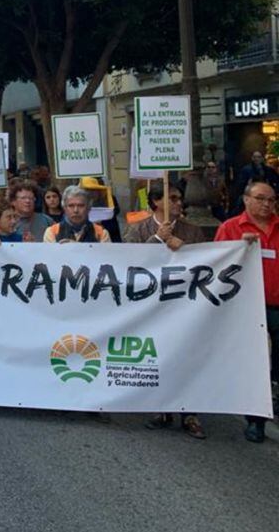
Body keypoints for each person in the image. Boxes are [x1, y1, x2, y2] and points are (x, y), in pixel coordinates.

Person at [124, 180, 206, 439]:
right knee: (156, 356)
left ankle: (189, 412)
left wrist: (183, 250)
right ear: (156, 202)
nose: (178, 203)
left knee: (184, 357)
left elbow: (205, 262)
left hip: (183, 306)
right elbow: (128, 261)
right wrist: (159, 239)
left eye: (179, 198)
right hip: (150, 307)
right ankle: (160, 408)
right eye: (172, 198)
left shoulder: (193, 231)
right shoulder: (137, 230)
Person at [213, 180, 279, 443]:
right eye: (261, 198)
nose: (267, 204)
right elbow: (215, 266)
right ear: (246, 200)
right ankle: (256, 420)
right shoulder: (230, 228)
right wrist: (238, 248)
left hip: (276, 305)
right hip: (246, 309)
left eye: (272, 199)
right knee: (256, 364)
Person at [42, 185, 111, 243]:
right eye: (71, 206)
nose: (76, 210)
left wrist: (77, 248)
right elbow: (51, 258)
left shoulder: (101, 233)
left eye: (81, 206)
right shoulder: (52, 232)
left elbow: (105, 258)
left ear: (88, 208)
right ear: (64, 208)